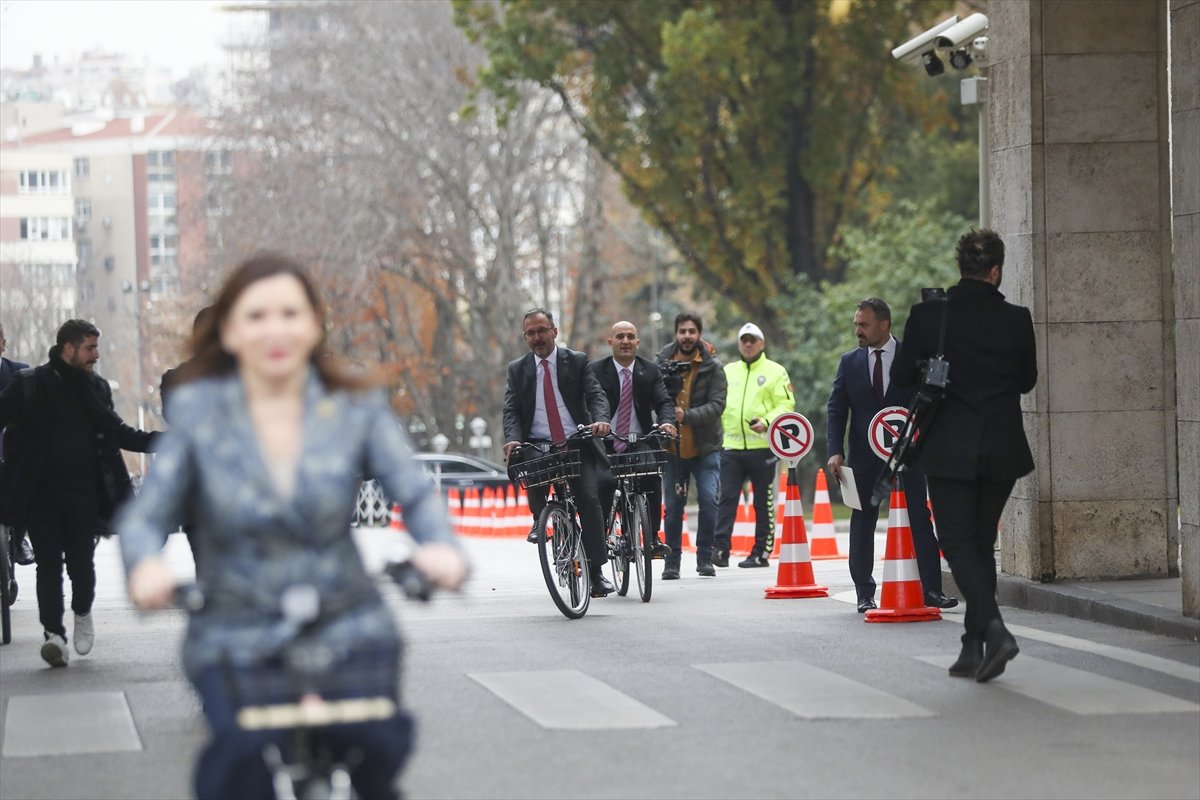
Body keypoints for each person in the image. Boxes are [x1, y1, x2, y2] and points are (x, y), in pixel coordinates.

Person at [119, 253, 468, 799]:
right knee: (237, 763)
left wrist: (440, 549)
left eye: (290, 313)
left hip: (347, 616)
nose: (275, 329)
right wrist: (145, 565)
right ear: (230, 332)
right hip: (234, 625)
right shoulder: (200, 413)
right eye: (256, 316)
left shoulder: (354, 404)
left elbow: (414, 491)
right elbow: (147, 513)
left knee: (380, 742)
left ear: (313, 325)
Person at [891, 230, 1037, 683]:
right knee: (976, 541)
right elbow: (1027, 380)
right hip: (1003, 446)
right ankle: (971, 646)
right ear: (996, 271)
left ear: (961, 268)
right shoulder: (1017, 318)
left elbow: (899, 379)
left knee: (956, 542)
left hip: (949, 446)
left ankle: (994, 631)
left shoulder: (929, 315)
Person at [0, 319, 159, 666]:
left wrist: (163, 440)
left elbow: (118, 432)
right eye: (90, 348)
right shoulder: (28, 385)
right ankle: (53, 635)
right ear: (68, 349)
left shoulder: (96, 388)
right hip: (39, 496)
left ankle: (82, 613)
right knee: (48, 567)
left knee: (81, 568)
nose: (96, 356)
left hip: (85, 496)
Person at [826, 299, 958, 613]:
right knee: (863, 522)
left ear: (884, 325)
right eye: (856, 324)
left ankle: (931, 590)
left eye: (864, 325)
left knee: (919, 518)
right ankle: (864, 593)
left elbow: (936, 395)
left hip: (908, 456)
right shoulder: (849, 362)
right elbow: (836, 408)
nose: (857, 330)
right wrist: (835, 451)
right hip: (864, 460)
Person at [502, 308, 616, 597]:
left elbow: (595, 394)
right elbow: (512, 409)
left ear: (554, 331)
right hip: (538, 443)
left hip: (576, 441)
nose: (537, 337)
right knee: (530, 467)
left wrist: (600, 420)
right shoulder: (518, 369)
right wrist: (513, 439)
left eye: (542, 330)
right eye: (531, 333)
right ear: (525, 337)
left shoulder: (575, 361)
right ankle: (540, 518)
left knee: (589, 500)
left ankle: (596, 573)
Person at [588, 321, 677, 559]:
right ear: (611, 342)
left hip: (639, 441)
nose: (625, 341)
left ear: (638, 342)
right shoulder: (596, 370)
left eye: (630, 336)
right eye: (620, 336)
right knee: (605, 483)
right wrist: (598, 424)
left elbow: (663, 402)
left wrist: (667, 422)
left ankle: (653, 537)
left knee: (651, 478)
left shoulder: (650, 370)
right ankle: (602, 536)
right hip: (605, 441)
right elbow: (594, 402)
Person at [714, 323, 794, 569]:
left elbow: (786, 404)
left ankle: (760, 552)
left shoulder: (775, 371)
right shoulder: (728, 371)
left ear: (762, 343)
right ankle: (720, 550)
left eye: (753, 340)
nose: (748, 344)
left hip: (763, 447)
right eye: (744, 340)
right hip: (732, 446)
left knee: (763, 501)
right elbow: (718, 402)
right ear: (739, 344)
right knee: (726, 497)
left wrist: (768, 421)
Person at [655, 313, 727, 580]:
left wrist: (686, 416)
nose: (687, 336)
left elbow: (717, 405)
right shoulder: (660, 364)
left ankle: (705, 558)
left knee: (709, 500)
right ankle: (671, 562)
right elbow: (652, 399)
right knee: (673, 506)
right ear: (676, 334)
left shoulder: (713, 367)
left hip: (705, 447)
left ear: (699, 334)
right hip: (671, 449)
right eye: (682, 331)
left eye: (692, 331)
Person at [0, 321, 35, 569]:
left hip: (12, 453)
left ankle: (19, 540)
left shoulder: (20, 374)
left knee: (29, 481)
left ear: (3, 343)